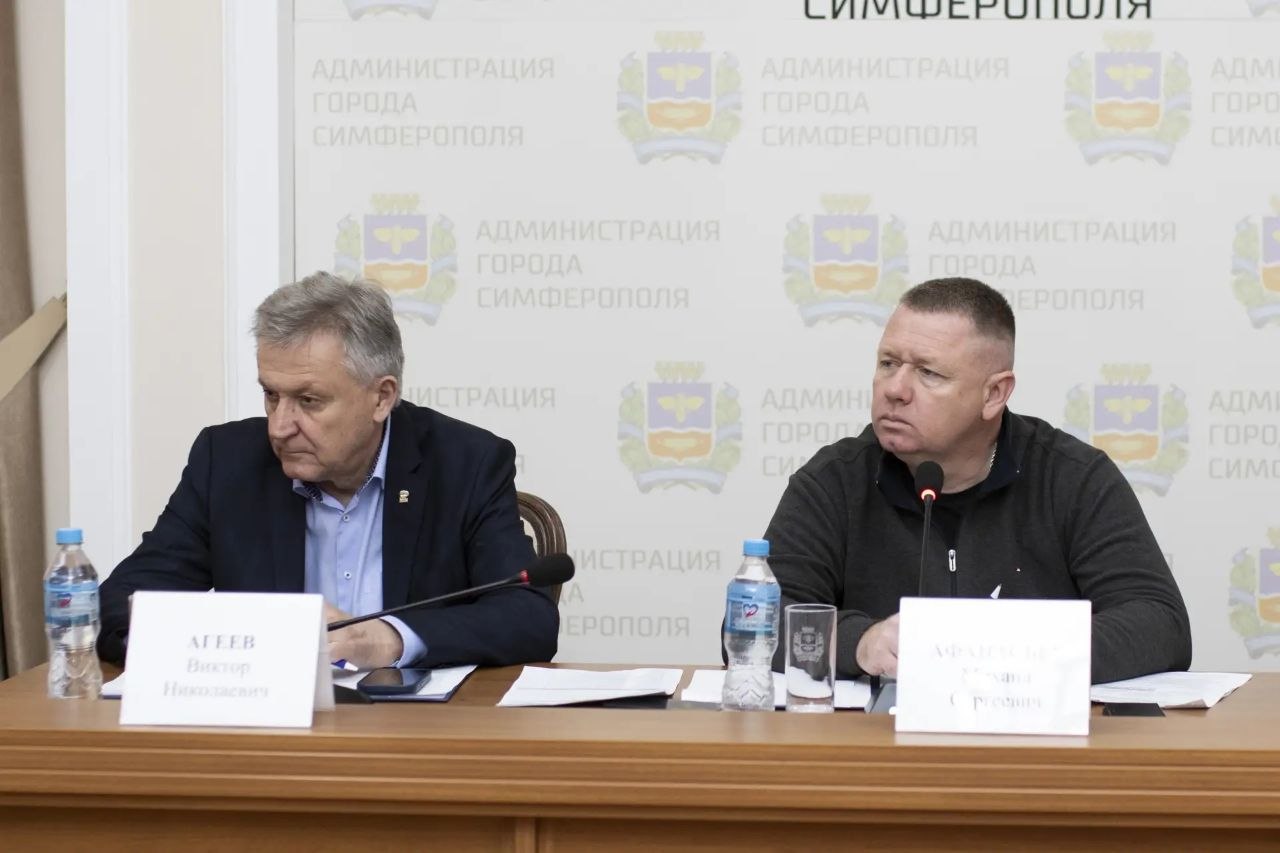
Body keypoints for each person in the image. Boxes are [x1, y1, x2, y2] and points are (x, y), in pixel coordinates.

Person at [97, 272, 557, 669]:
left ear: (381, 398)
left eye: (308, 400)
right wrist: (204, 645)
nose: (279, 426)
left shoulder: (466, 463)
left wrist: (391, 639)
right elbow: (119, 604)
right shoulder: (228, 462)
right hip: (269, 726)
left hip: (415, 729)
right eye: (271, 395)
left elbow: (527, 617)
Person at [762, 277, 1191, 685]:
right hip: (881, 735)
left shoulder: (1072, 478)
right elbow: (761, 620)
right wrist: (859, 642)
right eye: (888, 363)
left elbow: (1160, 623)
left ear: (994, 394)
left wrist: (1004, 655)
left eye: (929, 373)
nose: (895, 389)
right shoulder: (835, 480)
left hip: (1030, 733)